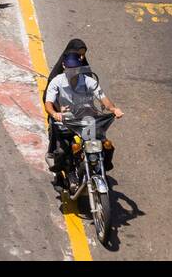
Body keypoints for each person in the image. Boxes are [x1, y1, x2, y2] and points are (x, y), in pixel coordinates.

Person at [44, 51, 123, 183]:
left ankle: (103, 165)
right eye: (70, 68)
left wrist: (114, 109)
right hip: (67, 121)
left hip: (87, 120)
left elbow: (103, 98)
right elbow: (48, 103)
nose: (73, 71)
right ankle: (70, 174)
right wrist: (54, 113)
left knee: (107, 145)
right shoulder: (56, 82)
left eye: (75, 68)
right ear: (64, 66)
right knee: (64, 151)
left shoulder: (89, 81)